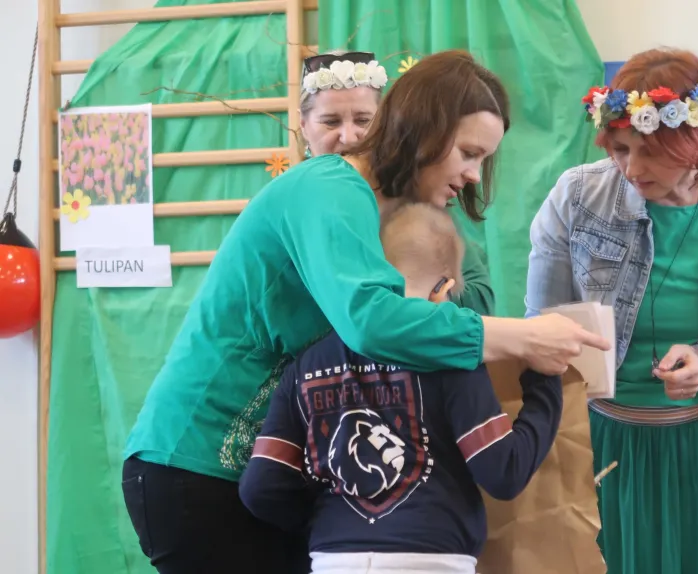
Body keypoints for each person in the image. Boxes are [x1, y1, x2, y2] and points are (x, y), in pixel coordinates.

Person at [121, 49, 609, 574]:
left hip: (259, 482)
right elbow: (371, 320)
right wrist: (524, 338)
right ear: (426, 129)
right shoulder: (327, 187)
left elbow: (453, 297)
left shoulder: (384, 206)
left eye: (482, 160)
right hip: (198, 470)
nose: (473, 174)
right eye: (468, 153)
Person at [524, 47, 698, 574]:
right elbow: (542, 329)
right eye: (619, 150)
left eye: (650, 152)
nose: (632, 169)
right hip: (601, 444)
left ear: (696, 141)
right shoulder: (578, 197)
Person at [238, 202, 562, 574]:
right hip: (432, 559)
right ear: (444, 289)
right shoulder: (451, 356)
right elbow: (503, 471)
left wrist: (330, 517)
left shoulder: (305, 366)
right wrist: (545, 383)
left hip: (333, 560)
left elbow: (260, 486)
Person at [301, 49, 495, 314]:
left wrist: (423, 289)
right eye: (331, 122)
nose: (349, 136)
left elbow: (481, 297)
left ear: (385, 122)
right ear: (304, 125)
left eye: (363, 120)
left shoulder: (419, 200)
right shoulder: (299, 202)